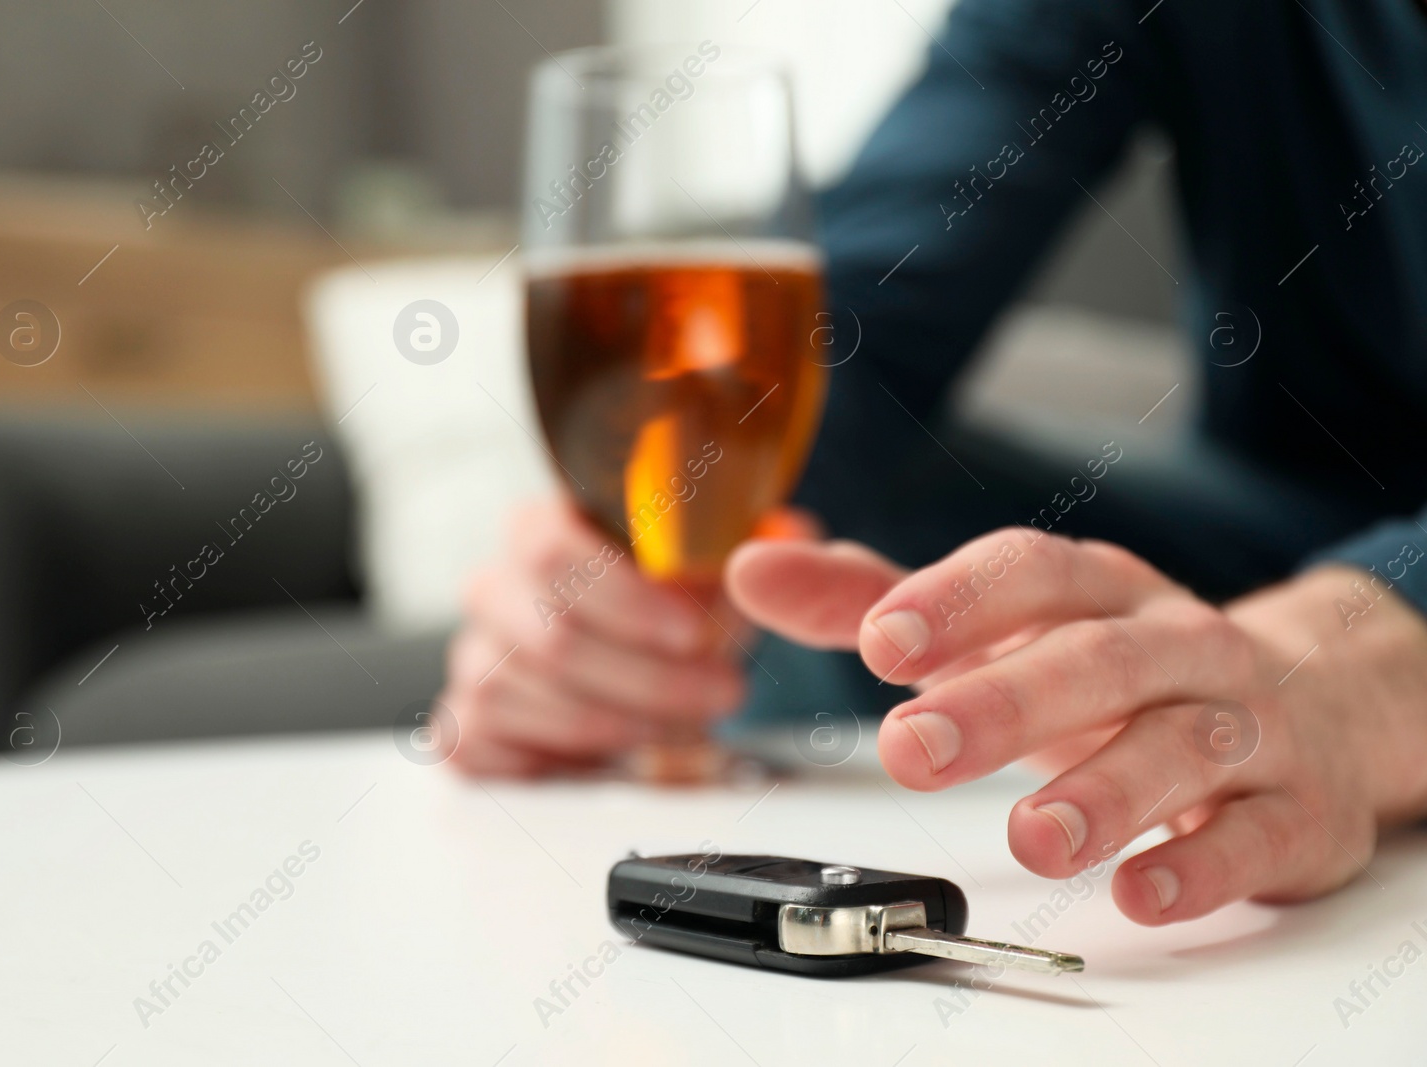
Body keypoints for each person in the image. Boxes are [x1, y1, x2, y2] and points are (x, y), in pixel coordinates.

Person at [439, 0, 1427, 928]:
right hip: (1275, 534)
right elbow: (854, 328)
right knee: (823, 566)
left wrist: (1380, 656)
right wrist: (618, 577)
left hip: (1344, 602)